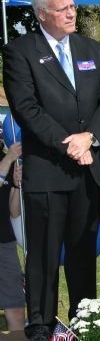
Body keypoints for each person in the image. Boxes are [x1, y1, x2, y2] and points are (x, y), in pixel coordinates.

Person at [3, 0, 100, 340]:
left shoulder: (92, 48)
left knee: (83, 255)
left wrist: (91, 139)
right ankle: (40, 327)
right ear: (41, 14)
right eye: (62, 9)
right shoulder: (20, 51)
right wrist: (68, 144)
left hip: (89, 171)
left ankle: (86, 323)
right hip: (48, 170)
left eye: (73, 7)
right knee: (44, 257)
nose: (71, 13)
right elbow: (26, 109)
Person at [0, 137, 25, 332]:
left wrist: (16, 186)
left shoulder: (6, 159)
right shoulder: (6, 160)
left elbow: (14, 212)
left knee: (16, 309)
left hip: (4, 242)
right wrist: (7, 161)